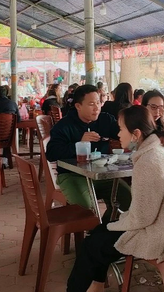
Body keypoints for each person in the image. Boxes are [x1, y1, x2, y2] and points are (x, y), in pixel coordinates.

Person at [35, 105, 164, 292]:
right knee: (102, 230)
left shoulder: (150, 161)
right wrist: (117, 222)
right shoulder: (159, 152)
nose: (118, 134)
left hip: (157, 233)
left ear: (136, 134)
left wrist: (117, 223)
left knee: (92, 244)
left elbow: (142, 217)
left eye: (122, 129)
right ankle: (95, 289)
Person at [46, 85, 131, 222]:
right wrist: (79, 143)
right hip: (72, 176)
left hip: (101, 175)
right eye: (91, 104)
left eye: (98, 102)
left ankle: (105, 230)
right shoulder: (64, 126)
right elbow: (51, 153)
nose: (97, 108)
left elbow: (124, 132)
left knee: (128, 199)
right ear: (78, 106)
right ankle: (94, 233)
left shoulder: (105, 120)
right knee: (86, 210)